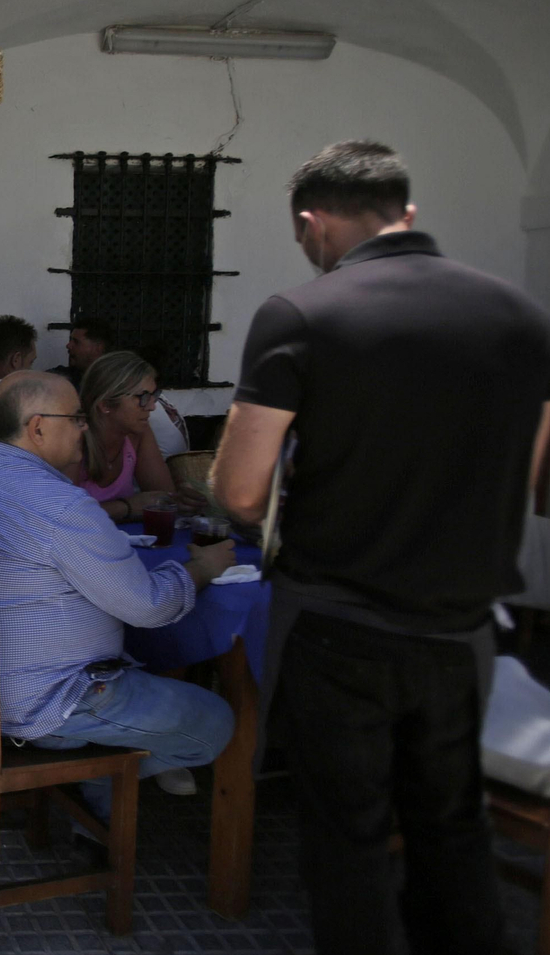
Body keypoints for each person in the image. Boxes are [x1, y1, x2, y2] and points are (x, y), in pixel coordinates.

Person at [210, 140, 550, 955]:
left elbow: (241, 491)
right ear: (408, 213)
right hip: (461, 629)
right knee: (453, 834)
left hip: (340, 625)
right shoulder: (522, 316)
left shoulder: (302, 314)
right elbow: (543, 485)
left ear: (311, 223)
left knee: (350, 842)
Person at [0, 371, 236, 827]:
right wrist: (202, 570)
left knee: (138, 659)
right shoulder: (62, 505)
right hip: (45, 703)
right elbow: (148, 607)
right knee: (216, 721)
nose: (84, 428)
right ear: (37, 428)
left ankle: (98, 787)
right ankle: (101, 781)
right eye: (75, 418)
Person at [75, 351, 177, 522]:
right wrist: (127, 506)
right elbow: (61, 517)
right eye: (143, 397)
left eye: (154, 395)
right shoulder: (74, 441)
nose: (152, 406)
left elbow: (163, 499)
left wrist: (183, 500)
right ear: (106, 404)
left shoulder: (138, 433)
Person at [47, 316, 112, 389]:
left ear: (98, 348)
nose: (68, 345)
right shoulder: (63, 377)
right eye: (71, 340)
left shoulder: (115, 383)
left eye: (76, 342)